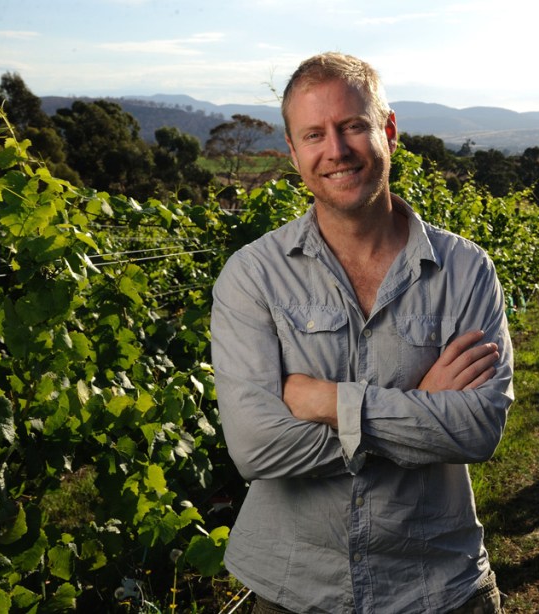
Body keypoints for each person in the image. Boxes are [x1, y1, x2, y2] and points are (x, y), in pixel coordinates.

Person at [210, 51, 514, 613]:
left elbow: (478, 429)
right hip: (293, 591)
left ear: (388, 131)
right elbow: (256, 448)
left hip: (439, 588)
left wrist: (326, 401)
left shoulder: (466, 269)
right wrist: (421, 407)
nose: (336, 150)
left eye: (352, 126)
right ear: (294, 153)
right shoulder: (252, 276)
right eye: (315, 135)